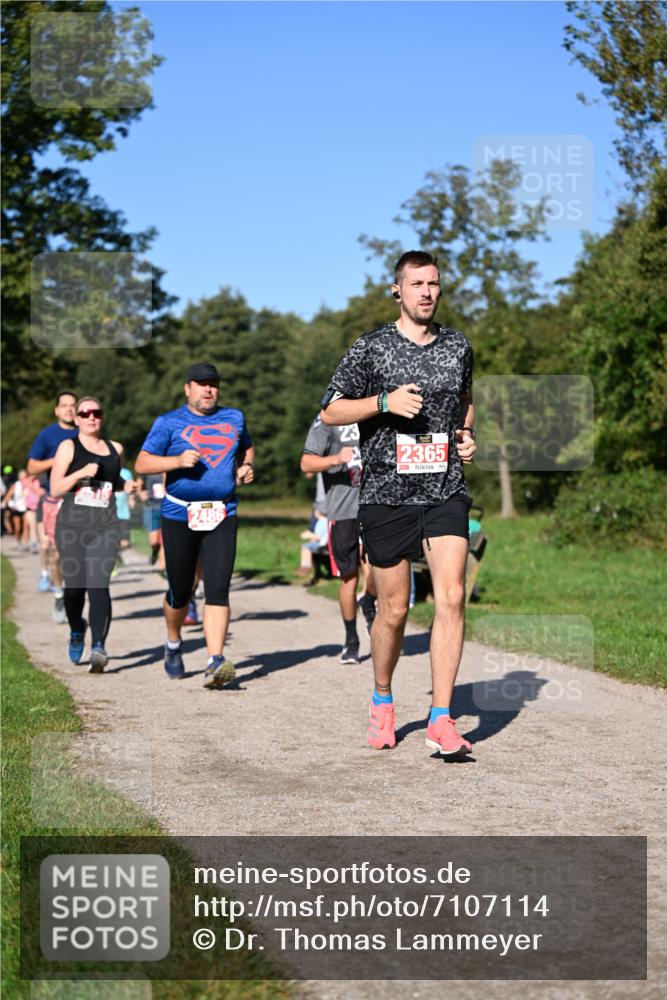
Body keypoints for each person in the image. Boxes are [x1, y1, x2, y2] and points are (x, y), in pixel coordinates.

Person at [320, 250, 477, 755]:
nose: (426, 292)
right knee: (394, 610)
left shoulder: (457, 346)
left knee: (451, 596)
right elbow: (330, 410)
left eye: (433, 283)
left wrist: (466, 435)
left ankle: (440, 717)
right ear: (398, 290)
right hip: (386, 494)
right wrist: (384, 403)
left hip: (444, 488)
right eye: (417, 284)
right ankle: (383, 698)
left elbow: (465, 398)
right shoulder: (371, 349)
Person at [134, 362, 254, 686]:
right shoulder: (168, 422)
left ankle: (215, 660)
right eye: (201, 384)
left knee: (218, 587)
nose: (208, 390)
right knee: (180, 590)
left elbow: (247, 447)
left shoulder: (234, 418)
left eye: (213, 384)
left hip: (222, 512)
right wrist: (175, 461)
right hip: (179, 514)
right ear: (187, 388)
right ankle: (173, 642)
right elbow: (142, 462)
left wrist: (245, 467)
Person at [50, 397, 136, 672]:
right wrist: (81, 473)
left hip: (105, 527)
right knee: (75, 589)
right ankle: (78, 628)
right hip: (72, 527)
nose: (91, 417)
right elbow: (55, 489)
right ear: (76, 419)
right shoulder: (68, 447)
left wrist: (127, 484)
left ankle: (98, 646)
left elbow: (112, 483)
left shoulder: (114, 448)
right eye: (84, 413)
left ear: (102, 416)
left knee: (99, 585)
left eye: (96, 412)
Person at [301, 415, 377, 662]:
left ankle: (369, 600)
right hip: (342, 512)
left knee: (378, 571)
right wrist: (336, 459)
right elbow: (306, 464)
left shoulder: (378, 409)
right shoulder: (328, 418)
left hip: (376, 506)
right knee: (349, 578)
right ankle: (351, 639)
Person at [27, 391, 79, 618]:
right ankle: (59, 592)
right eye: (64, 406)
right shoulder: (47, 435)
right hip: (55, 500)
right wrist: (58, 459)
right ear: (57, 410)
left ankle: (76, 595)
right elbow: (31, 468)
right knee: (56, 553)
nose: (69, 409)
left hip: (82, 500)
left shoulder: (87, 432)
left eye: (72, 405)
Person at [297, 508, 328, 575]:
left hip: (322, 543)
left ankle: (307, 565)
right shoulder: (321, 521)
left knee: (306, 547)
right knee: (305, 546)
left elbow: (318, 536)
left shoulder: (322, 521)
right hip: (320, 542)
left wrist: (308, 535)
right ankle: (304, 565)